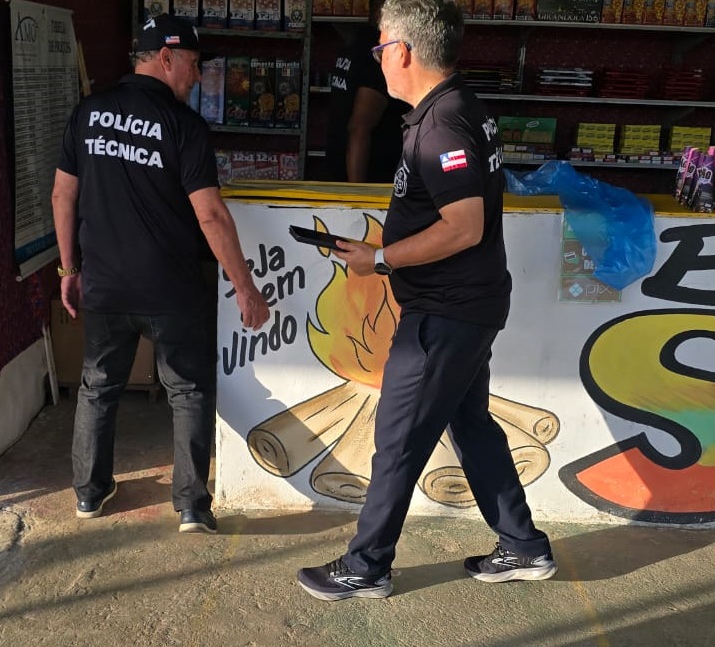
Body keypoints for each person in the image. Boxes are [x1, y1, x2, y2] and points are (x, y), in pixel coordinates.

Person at [296, 0, 557, 600]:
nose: (377, 59)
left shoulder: (442, 124)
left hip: (446, 312)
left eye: (380, 47)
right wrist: (377, 254)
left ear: (403, 51)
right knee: (471, 424)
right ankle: (522, 545)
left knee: (397, 438)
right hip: (465, 304)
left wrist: (382, 258)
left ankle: (366, 566)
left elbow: (463, 226)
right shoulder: (453, 108)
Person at [51, 14, 270, 533]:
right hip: (169, 288)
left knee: (98, 387)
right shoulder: (184, 126)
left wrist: (68, 268)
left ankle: (89, 494)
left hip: (104, 284)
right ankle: (191, 505)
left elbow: (62, 195)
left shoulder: (89, 113)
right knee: (188, 391)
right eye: (193, 64)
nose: (197, 76)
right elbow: (210, 214)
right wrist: (245, 287)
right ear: (166, 58)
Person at [323, 0, 410, 183]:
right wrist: (358, 192)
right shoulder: (379, 52)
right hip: (370, 179)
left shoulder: (356, 42)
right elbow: (359, 128)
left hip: (339, 171)